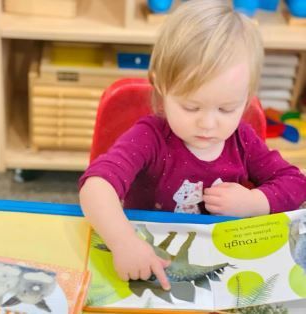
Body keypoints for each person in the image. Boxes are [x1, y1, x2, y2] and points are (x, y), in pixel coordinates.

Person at [79, 0, 306, 291]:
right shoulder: (150, 137)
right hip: (149, 255)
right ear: (162, 88)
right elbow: (95, 187)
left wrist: (254, 202)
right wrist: (124, 242)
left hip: (224, 260)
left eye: (226, 109)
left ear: (247, 97)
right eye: (190, 107)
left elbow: (295, 182)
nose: (208, 125)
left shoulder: (242, 138)